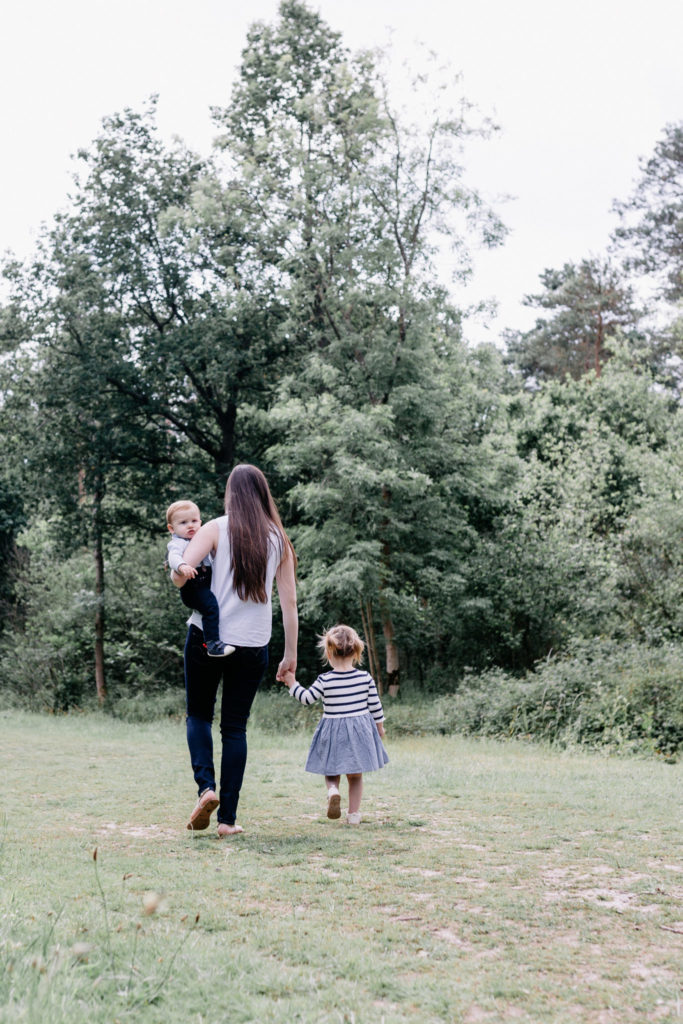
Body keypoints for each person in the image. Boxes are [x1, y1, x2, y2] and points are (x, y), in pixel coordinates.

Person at [172, 465, 298, 837]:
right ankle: (227, 820)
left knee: (198, 715)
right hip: (253, 643)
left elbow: (182, 573)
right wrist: (290, 655)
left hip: (206, 639)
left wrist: (178, 567)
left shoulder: (214, 527)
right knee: (235, 729)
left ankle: (205, 788)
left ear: (231, 494)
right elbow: (289, 604)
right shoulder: (279, 539)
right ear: (263, 494)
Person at [281, 624, 388, 825]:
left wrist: (291, 682)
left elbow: (306, 698)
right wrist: (380, 728)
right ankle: (354, 815)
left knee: (331, 771)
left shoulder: (325, 679)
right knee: (355, 776)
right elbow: (375, 706)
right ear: (356, 652)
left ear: (329, 653)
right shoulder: (365, 678)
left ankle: (332, 790)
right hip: (359, 733)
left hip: (332, 731)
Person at [166, 500, 234, 658]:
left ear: (200, 522)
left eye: (194, 521)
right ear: (171, 528)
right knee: (211, 607)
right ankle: (213, 644)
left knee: (213, 606)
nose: (190, 526)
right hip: (192, 588)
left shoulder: (202, 539)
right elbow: (173, 557)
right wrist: (182, 566)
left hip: (204, 584)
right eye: (183, 523)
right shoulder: (178, 543)